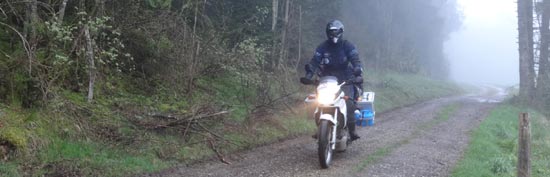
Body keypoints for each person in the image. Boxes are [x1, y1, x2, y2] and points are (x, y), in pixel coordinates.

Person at [300, 20, 363, 141]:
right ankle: (321, 128)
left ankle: (352, 129)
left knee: (349, 103)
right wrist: (308, 75)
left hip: (345, 79)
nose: (333, 35)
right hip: (326, 79)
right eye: (331, 32)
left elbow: (355, 59)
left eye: (336, 32)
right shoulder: (322, 47)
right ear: (327, 33)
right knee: (319, 102)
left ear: (341, 32)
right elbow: (314, 62)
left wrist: (357, 70)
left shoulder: (347, 45)